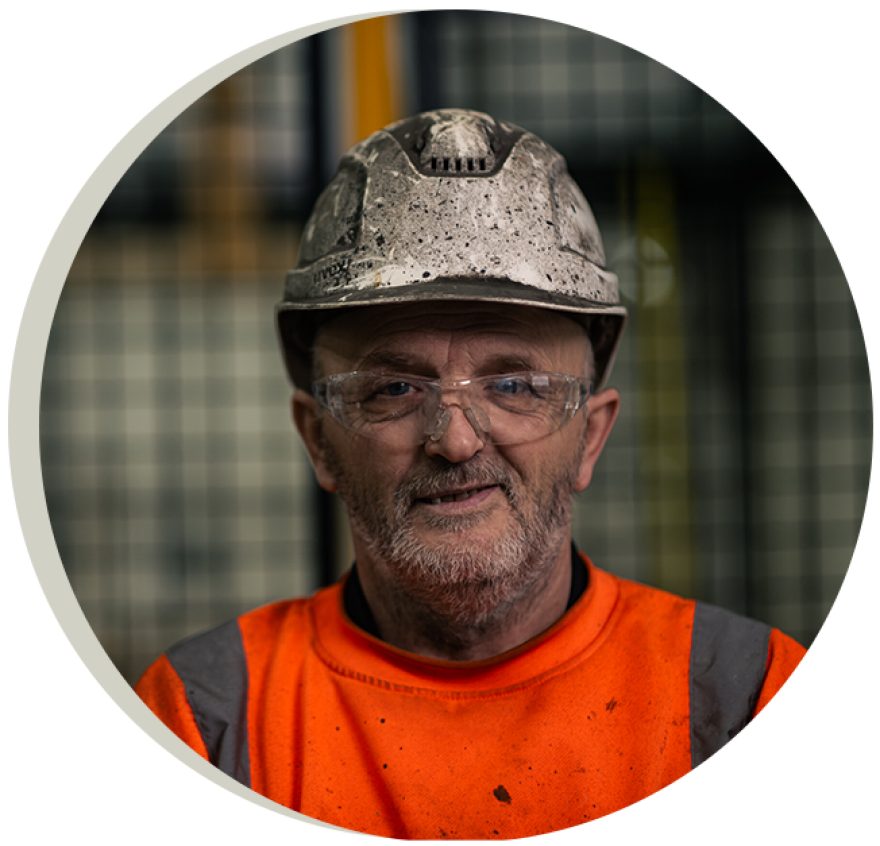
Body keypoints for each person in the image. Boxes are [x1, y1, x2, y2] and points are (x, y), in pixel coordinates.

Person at [135, 109, 805, 839]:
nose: (455, 440)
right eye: (394, 388)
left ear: (590, 435)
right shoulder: (203, 721)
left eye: (514, 386)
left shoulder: (750, 699)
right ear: (319, 441)